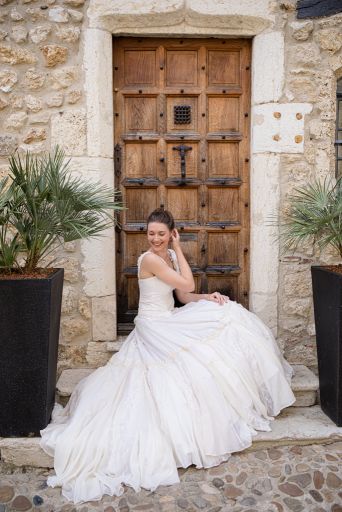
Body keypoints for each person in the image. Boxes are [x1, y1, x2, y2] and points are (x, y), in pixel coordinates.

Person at [40, 208, 296, 505]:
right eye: (151, 234)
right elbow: (186, 284)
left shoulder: (170, 258)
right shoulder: (149, 258)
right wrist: (177, 246)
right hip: (153, 325)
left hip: (170, 316)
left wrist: (207, 297)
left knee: (228, 312)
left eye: (162, 234)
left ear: (170, 231)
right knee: (193, 357)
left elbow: (186, 296)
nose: (156, 238)